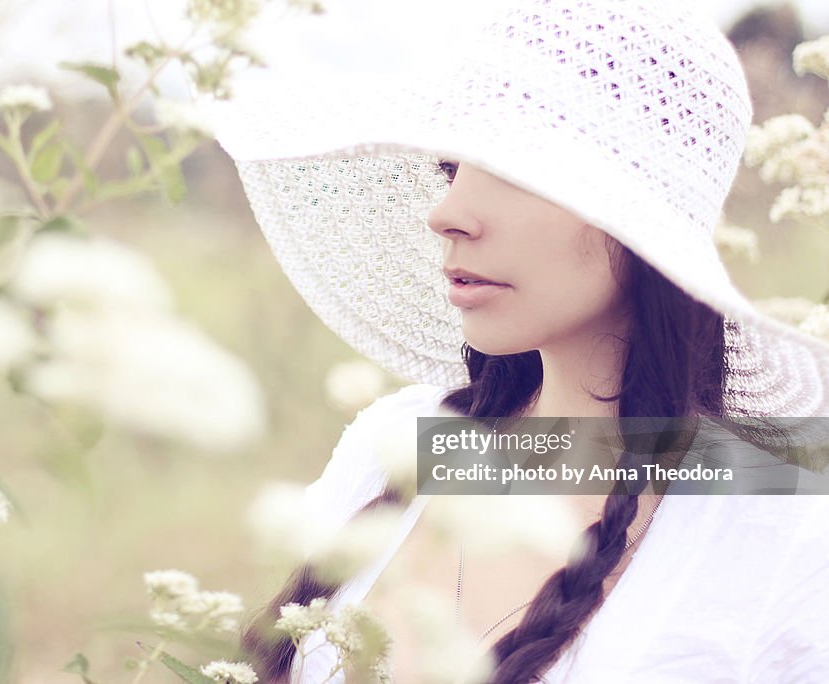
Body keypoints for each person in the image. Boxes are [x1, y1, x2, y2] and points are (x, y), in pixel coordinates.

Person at [205, 0, 829, 681]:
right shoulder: (396, 443)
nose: (445, 214)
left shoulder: (777, 527)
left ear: (640, 218)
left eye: (513, 169)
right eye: (453, 167)